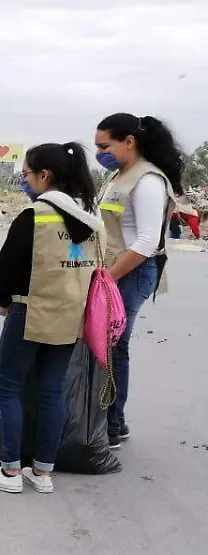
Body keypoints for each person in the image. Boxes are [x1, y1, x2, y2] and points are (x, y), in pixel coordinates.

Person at [0, 143, 103, 494]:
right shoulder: (91, 219)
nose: (25, 180)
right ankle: (42, 472)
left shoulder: (35, 216)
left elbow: (8, 267)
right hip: (72, 316)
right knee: (51, 390)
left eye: (26, 174)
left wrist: (3, 302)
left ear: (44, 175)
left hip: (31, 311)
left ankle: (10, 472)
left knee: (8, 384)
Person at [93, 113, 184, 449]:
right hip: (112, 270)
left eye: (104, 145)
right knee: (103, 345)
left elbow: (146, 242)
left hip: (132, 273)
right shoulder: (118, 176)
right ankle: (107, 418)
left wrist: (107, 279)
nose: (99, 152)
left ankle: (113, 426)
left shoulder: (148, 180)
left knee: (116, 346)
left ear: (129, 142)